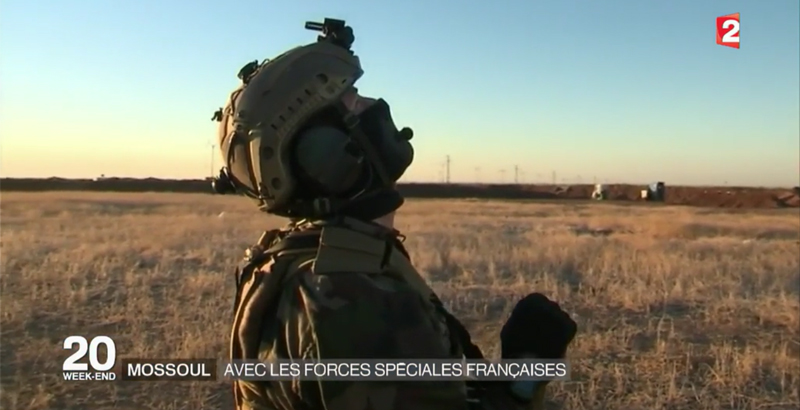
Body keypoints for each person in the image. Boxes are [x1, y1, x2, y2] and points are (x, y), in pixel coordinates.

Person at [211, 18, 577, 410]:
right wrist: (524, 383)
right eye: (352, 98)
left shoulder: (301, 259)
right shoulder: (355, 298)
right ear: (327, 156)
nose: (375, 105)